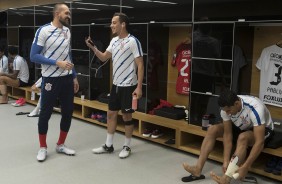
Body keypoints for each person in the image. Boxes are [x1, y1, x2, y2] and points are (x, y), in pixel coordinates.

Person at [182, 89, 274, 183]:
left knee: (243, 137)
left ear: (237, 103)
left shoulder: (255, 108)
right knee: (212, 129)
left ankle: (226, 179)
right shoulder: (226, 109)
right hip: (242, 127)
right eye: (224, 111)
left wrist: (246, 166)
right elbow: (228, 134)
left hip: (263, 129)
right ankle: (197, 170)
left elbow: (259, 142)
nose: (227, 113)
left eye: (229, 110)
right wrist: (225, 161)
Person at [85, 12, 144, 159]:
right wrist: (93, 48)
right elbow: (105, 57)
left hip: (129, 85)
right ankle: (108, 145)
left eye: (114, 22)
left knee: (126, 116)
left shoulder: (133, 41)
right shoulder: (114, 41)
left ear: (122, 24)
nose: (111, 25)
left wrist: (139, 87)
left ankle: (127, 146)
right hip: (116, 84)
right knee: (111, 114)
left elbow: (140, 64)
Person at [30, 3, 79, 162]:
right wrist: (57, 63)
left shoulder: (67, 31)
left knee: (68, 112)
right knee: (45, 113)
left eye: (69, 13)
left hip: (66, 79)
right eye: (66, 13)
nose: (68, 16)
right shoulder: (43, 31)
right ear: (57, 13)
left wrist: (74, 76)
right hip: (50, 79)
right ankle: (42, 147)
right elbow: (34, 56)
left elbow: (68, 55)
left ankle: (61, 144)